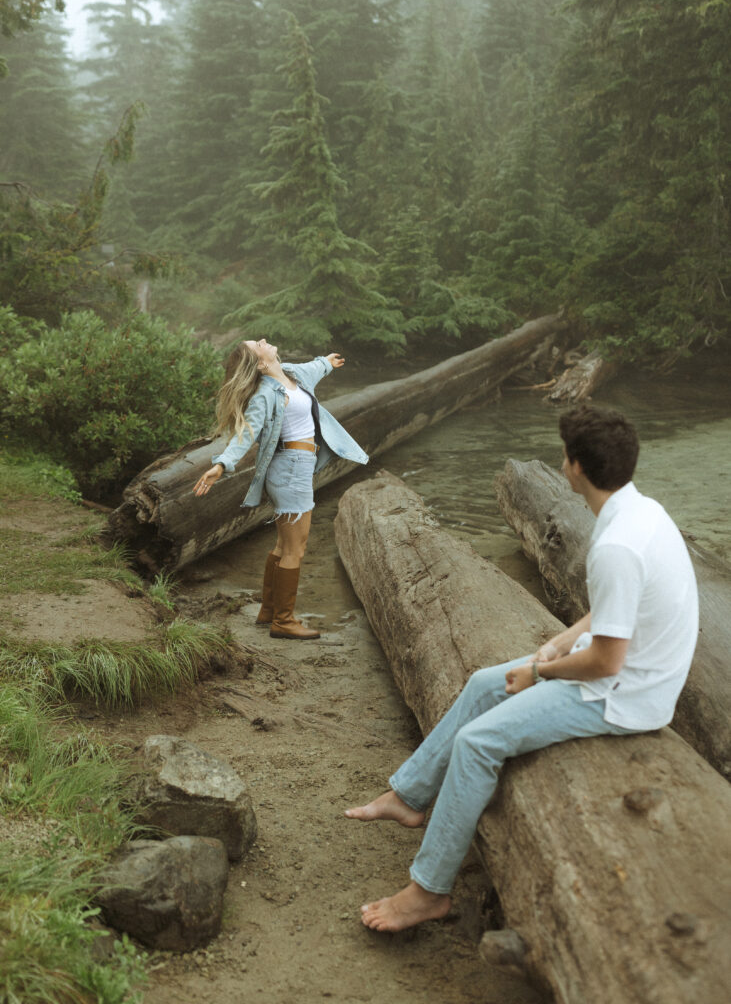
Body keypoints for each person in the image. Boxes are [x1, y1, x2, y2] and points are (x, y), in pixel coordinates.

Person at [346, 404, 699, 932]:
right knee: (485, 682)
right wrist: (560, 640)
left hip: (628, 694)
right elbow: (617, 611)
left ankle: (428, 890)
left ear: (576, 468)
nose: (561, 463)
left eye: (564, 455)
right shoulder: (640, 511)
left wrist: (539, 674)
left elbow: (606, 660)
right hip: (635, 668)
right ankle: (409, 795)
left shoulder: (618, 545)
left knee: (478, 744)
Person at [194, 338, 368, 640]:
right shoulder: (264, 395)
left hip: (296, 467)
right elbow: (245, 435)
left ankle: (269, 610)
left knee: (282, 546)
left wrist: (326, 362)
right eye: (257, 344)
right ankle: (284, 621)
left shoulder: (290, 374)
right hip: (289, 470)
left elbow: (311, 369)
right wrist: (221, 465)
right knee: (295, 549)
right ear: (260, 363)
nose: (263, 340)